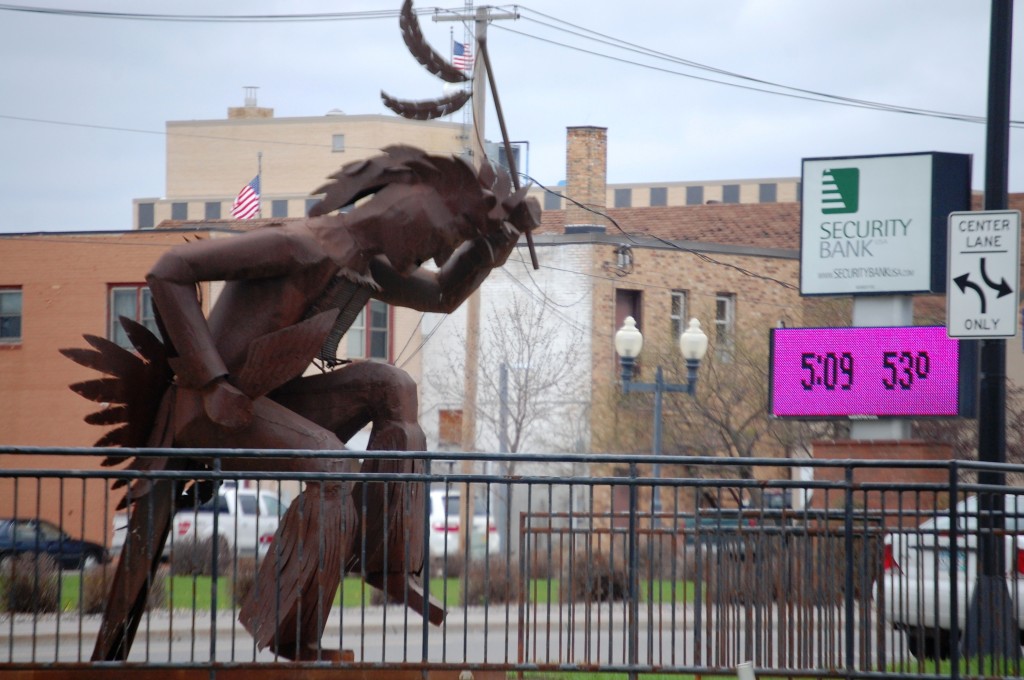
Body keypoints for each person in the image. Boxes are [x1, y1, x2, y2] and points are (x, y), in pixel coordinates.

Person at [84, 145, 540, 661]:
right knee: (332, 462)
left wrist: (492, 243)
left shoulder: (365, 264)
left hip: (269, 401)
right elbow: (169, 269)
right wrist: (212, 384)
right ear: (404, 215)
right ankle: (288, 631)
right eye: (434, 241)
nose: (432, 257)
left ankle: (384, 563)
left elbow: (438, 294)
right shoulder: (301, 245)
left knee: (392, 388)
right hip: (209, 411)